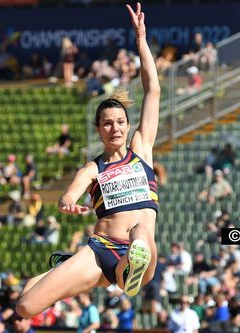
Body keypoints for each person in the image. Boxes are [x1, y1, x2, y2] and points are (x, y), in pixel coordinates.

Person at [17, 3, 160, 318]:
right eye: (107, 123)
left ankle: (131, 261)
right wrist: (68, 200)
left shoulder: (142, 149)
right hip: (100, 249)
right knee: (26, 303)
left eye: (120, 122)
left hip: (140, 249)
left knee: (140, 230)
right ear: (99, 129)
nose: (115, 128)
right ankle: (87, 270)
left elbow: (153, 91)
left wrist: (141, 41)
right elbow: (73, 190)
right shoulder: (94, 168)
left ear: (127, 124)